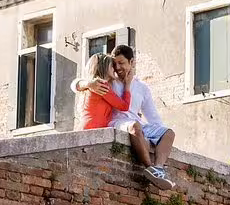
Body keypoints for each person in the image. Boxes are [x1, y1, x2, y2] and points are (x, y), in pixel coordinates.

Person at [71, 45, 175, 190]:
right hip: (117, 122)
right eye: (114, 63)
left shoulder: (142, 88)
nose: (117, 67)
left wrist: (158, 138)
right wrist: (88, 84)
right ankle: (149, 167)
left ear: (131, 62)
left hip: (137, 124)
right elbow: (75, 84)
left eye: (121, 63)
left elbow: (154, 119)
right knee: (135, 127)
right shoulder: (109, 81)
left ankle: (158, 169)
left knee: (168, 132)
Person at [79, 53, 131, 130]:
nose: (114, 69)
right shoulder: (101, 85)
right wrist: (127, 85)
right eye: (112, 66)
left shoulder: (94, 84)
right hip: (94, 127)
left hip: (89, 126)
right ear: (105, 68)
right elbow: (124, 106)